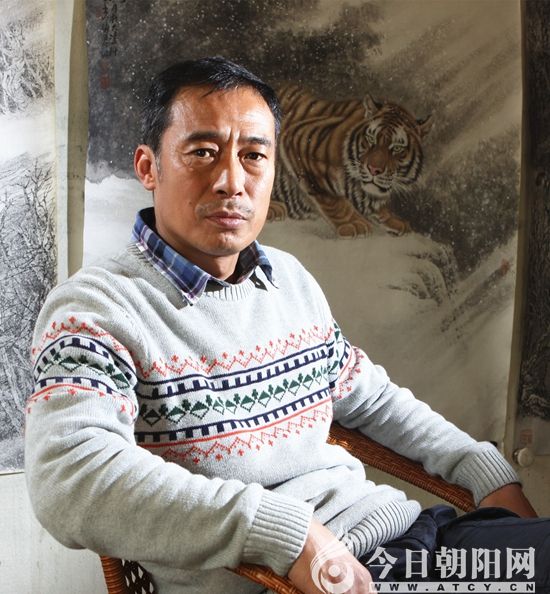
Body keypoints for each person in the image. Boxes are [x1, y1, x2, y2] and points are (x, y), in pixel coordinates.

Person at [25, 57, 548, 594]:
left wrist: (483, 469)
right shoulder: (97, 310)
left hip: (406, 539)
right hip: (296, 579)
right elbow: (69, 477)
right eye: (202, 152)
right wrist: (287, 536)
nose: (231, 182)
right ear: (147, 167)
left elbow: (372, 400)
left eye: (253, 156)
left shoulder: (287, 280)